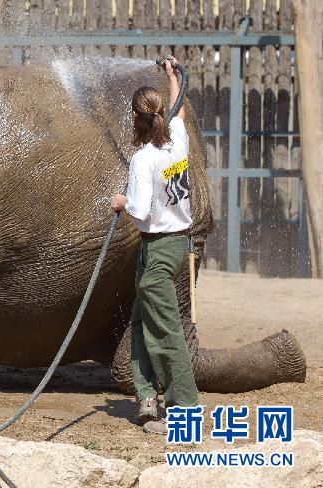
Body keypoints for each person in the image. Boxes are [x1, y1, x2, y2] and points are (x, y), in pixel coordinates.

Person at [110, 56, 199, 435]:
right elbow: (177, 111)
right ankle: (147, 399)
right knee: (142, 320)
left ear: (135, 118)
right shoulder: (177, 142)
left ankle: (185, 411)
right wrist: (173, 76)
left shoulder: (142, 160)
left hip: (159, 248)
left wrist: (121, 202)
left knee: (165, 331)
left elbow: (141, 210)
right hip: (178, 246)